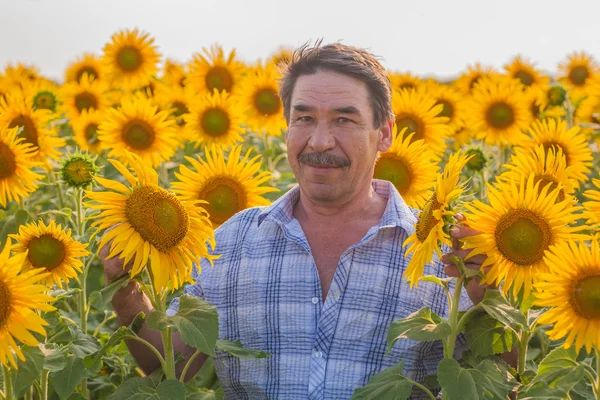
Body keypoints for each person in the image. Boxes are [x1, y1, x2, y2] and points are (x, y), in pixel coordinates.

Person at [102, 42, 488, 400]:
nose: (320, 141)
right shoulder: (233, 241)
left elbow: (498, 378)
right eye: (304, 118)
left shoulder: (444, 250)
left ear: (383, 133)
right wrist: (125, 289)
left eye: (343, 120)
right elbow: (168, 362)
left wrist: (490, 301)